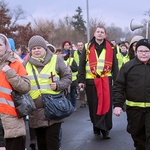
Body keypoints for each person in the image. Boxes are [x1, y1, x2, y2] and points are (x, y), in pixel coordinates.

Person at [24, 35, 72, 150]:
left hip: (54, 107)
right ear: (30, 50)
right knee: (41, 142)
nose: (36, 50)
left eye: (39, 48)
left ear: (44, 48)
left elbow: (67, 77)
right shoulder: (25, 64)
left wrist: (58, 85)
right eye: (33, 48)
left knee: (52, 141)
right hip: (35, 110)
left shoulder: (56, 59)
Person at [78, 26, 118, 139]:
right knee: (94, 105)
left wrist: (118, 81)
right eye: (98, 32)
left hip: (106, 80)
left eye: (102, 32)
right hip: (91, 81)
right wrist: (81, 80)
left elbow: (115, 65)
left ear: (105, 35)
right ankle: (96, 126)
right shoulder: (87, 47)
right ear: (94, 34)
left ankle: (105, 129)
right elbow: (81, 65)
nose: (100, 34)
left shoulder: (111, 47)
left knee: (107, 104)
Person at [113, 39, 150, 150]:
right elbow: (119, 86)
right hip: (134, 111)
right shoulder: (128, 66)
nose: (144, 53)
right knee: (138, 138)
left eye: (147, 51)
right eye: (141, 51)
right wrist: (118, 104)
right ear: (135, 51)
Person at [0, 33, 31, 150]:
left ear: (6, 47)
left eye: (0, 45)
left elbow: (25, 87)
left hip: (11, 116)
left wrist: (10, 73)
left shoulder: (15, 64)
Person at [73, 41, 87, 108]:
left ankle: (88, 100)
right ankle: (82, 102)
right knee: (81, 89)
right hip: (78, 74)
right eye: (79, 45)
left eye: (81, 45)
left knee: (88, 88)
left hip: (86, 72)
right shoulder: (74, 53)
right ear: (77, 46)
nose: (80, 46)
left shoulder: (87, 52)